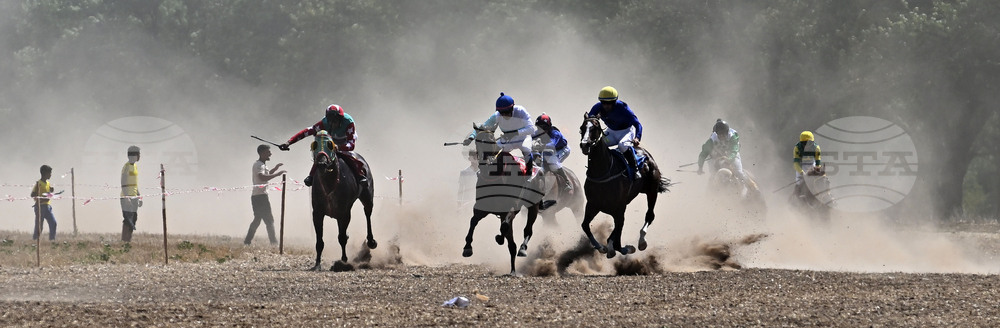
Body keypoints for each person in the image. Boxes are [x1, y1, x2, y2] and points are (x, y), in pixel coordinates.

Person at [278, 104, 368, 186]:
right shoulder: (324, 123)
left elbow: (351, 145)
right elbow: (305, 132)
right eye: (330, 120)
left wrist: (339, 147)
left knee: (348, 155)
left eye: (335, 120)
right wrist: (289, 142)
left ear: (340, 119)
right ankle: (311, 176)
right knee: (321, 154)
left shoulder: (348, 123)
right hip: (331, 140)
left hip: (345, 140)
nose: (332, 123)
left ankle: (359, 175)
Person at [463, 92, 537, 173]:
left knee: (526, 150)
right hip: (508, 140)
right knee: (491, 151)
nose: (505, 115)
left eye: (507, 112)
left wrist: (514, 133)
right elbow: (481, 127)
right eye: (502, 113)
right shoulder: (496, 115)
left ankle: (529, 175)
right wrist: (471, 137)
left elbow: (531, 129)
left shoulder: (521, 111)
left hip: (523, 138)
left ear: (513, 107)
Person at [587, 86, 643, 179]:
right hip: (611, 131)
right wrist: (594, 119)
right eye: (604, 103)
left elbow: (637, 124)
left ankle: (635, 168)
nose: (606, 105)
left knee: (622, 145)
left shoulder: (623, 107)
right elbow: (589, 118)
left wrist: (637, 138)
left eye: (609, 103)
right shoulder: (598, 107)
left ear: (615, 101)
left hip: (626, 131)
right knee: (597, 145)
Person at [245, 144, 286, 246]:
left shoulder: (262, 165)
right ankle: (274, 242)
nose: (270, 154)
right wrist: (277, 174)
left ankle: (247, 241)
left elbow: (266, 174)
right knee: (269, 220)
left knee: (258, 219)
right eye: (268, 152)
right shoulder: (258, 165)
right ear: (262, 153)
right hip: (260, 196)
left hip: (259, 196)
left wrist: (275, 169)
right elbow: (262, 177)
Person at [697, 119, 755, 189]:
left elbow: (734, 150)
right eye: (719, 134)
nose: (721, 136)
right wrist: (700, 167)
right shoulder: (712, 139)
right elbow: (703, 153)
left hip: (732, 154)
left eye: (723, 133)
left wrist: (729, 158)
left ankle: (753, 186)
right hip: (717, 156)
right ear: (716, 133)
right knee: (713, 175)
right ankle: (709, 193)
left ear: (727, 132)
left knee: (739, 172)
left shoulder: (732, 136)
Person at [532, 113, 573, 194]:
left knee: (553, 162)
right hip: (548, 149)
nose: (540, 130)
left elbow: (552, 145)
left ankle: (567, 182)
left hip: (562, 149)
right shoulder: (538, 132)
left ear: (548, 127)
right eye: (538, 127)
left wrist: (540, 146)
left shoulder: (555, 133)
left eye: (542, 128)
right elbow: (529, 137)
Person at [29, 165, 57, 241]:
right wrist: (42, 199)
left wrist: (51, 191)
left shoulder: (48, 183)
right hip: (40, 207)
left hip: (48, 207)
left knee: (53, 223)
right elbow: (33, 194)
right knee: (39, 226)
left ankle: (52, 240)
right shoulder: (39, 183)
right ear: (44, 173)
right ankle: (35, 240)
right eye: (49, 173)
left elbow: (47, 193)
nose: (51, 175)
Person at [120, 145, 142, 242]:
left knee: (133, 219)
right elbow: (123, 182)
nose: (139, 156)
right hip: (127, 197)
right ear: (134, 155)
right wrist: (126, 197)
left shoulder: (135, 166)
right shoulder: (126, 167)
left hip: (134, 197)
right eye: (138, 154)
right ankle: (124, 240)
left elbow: (135, 184)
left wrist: (139, 196)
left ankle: (128, 240)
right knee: (127, 219)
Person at [793, 131, 822, 197]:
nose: (807, 145)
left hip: (812, 166)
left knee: (820, 180)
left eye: (809, 143)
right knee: (799, 181)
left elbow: (818, 162)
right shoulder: (797, 148)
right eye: (804, 143)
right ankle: (798, 196)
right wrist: (802, 173)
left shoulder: (816, 148)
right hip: (801, 166)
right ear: (801, 143)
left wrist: (817, 170)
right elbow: (796, 164)